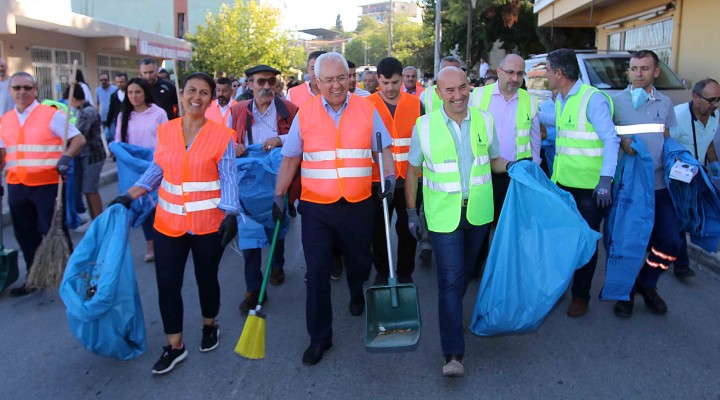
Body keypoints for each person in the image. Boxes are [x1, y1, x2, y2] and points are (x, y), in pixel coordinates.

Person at [110, 72, 239, 375]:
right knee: (168, 284)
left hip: (208, 224)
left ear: (211, 98)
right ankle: (175, 345)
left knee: (206, 278)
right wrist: (130, 195)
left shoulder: (221, 135)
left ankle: (210, 324)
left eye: (204, 92)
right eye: (191, 90)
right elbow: (158, 168)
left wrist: (231, 212)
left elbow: (230, 176)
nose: (197, 97)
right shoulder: (166, 130)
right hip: (168, 223)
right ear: (181, 94)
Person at [272, 52, 394, 366]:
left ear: (349, 78)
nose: (336, 85)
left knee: (359, 262)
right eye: (328, 80)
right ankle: (319, 338)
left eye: (341, 77)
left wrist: (388, 178)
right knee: (317, 273)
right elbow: (291, 158)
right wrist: (279, 194)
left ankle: (357, 289)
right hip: (316, 207)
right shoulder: (306, 113)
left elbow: (383, 150)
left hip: (357, 205)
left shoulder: (368, 109)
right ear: (316, 82)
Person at [405, 66, 509, 377]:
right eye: (450, 90)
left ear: (470, 88)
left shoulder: (485, 121)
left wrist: (517, 165)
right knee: (449, 280)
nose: (458, 95)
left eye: (463, 87)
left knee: (465, 274)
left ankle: (451, 313)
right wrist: (411, 211)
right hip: (443, 217)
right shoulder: (423, 126)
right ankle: (453, 353)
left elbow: (493, 160)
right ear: (438, 93)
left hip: (478, 214)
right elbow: (412, 171)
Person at [545, 48, 620, 317]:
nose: (545, 75)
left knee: (586, 243)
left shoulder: (593, 100)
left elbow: (611, 139)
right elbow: (561, 129)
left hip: (591, 190)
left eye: (547, 69)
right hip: (564, 185)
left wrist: (605, 180)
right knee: (564, 240)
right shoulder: (562, 99)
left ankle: (581, 296)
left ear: (559, 73)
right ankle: (562, 287)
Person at [0, 72, 86, 296]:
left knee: (54, 231)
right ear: (10, 90)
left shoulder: (51, 115)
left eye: (27, 88)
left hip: (47, 183)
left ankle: (71, 278)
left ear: (35, 89)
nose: (22, 92)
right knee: (25, 234)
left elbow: (78, 139)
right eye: (17, 88)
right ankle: (33, 277)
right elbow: (2, 153)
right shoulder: (5, 119)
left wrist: (66, 156)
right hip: (17, 184)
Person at [611, 50, 681, 318]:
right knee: (626, 243)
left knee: (671, 242)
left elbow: (666, 139)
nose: (638, 73)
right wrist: (621, 142)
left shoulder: (665, 103)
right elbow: (605, 138)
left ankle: (647, 282)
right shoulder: (615, 102)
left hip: (659, 186)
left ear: (656, 72)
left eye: (644, 68)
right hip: (628, 188)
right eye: (633, 68)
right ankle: (625, 292)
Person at [228, 64, 299, 312]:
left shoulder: (290, 110)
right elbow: (224, 138)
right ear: (249, 85)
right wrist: (233, 145)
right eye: (261, 82)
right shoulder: (236, 111)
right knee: (249, 232)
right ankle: (254, 289)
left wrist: (281, 139)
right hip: (247, 181)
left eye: (271, 82)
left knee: (276, 224)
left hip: (278, 178)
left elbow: (303, 138)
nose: (266, 87)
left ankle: (277, 262)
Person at [367, 57, 424, 285]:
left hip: (410, 178)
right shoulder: (367, 104)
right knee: (378, 231)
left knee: (407, 228)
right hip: (378, 179)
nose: (390, 88)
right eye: (385, 83)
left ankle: (405, 272)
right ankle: (382, 271)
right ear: (377, 80)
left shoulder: (416, 104)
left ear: (402, 79)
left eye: (395, 82)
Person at [670, 78, 720, 277]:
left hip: (697, 176)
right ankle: (681, 264)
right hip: (677, 177)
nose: (715, 105)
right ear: (695, 97)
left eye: (718, 100)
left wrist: (714, 163)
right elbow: (664, 147)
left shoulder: (713, 115)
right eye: (711, 100)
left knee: (694, 216)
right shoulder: (678, 116)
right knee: (682, 219)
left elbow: (706, 142)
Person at [115, 77, 169, 261]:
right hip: (133, 170)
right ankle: (151, 246)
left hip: (155, 166)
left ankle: (165, 243)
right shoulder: (124, 115)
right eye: (130, 92)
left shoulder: (159, 113)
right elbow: (119, 144)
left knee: (158, 207)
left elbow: (167, 140)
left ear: (145, 92)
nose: (134, 96)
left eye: (137, 91)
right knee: (142, 206)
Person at [66, 83, 106, 231]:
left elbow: (79, 133)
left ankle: (99, 221)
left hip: (93, 156)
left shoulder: (87, 112)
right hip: (86, 156)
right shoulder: (80, 111)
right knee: (87, 188)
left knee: (90, 189)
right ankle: (95, 219)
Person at [95, 73, 117, 143]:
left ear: (108, 80)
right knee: (105, 136)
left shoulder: (115, 89)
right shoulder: (97, 90)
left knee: (113, 135)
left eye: (105, 80)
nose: (103, 82)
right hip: (103, 117)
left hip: (113, 117)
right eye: (101, 80)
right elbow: (97, 103)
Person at [105, 73, 127, 142]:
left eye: (121, 82)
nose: (119, 84)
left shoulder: (131, 94)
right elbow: (111, 110)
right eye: (117, 82)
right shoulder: (114, 95)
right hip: (118, 123)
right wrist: (107, 125)